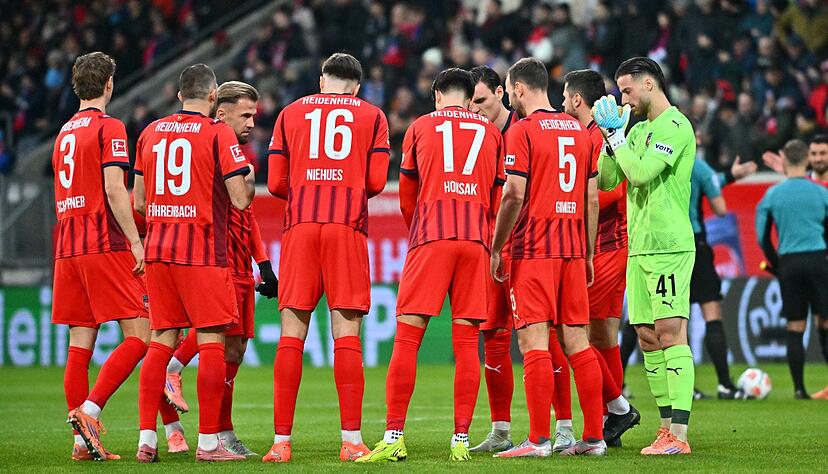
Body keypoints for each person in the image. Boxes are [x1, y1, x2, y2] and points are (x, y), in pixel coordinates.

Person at [355, 68, 504, 463]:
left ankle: (393, 436)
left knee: (407, 339)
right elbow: (498, 196)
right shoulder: (491, 133)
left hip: (432, 237)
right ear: (470, 97)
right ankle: (460, 441)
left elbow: (407, 195)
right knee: (467, 344)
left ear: (437, 94)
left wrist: (420, 231)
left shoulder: (420, 127)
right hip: (475, 241)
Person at [264, 53, 390, 463]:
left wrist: (308, 187)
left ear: (322, 80)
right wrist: (344, 186)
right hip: (345, 228)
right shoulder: (372, 115)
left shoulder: (290, 112)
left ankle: (281, 443)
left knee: (291, 334)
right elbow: (376, 181)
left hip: (300, 227)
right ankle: (351, 440)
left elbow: (274, 183)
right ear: (357, 86)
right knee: (346, 334)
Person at [133, 63, 255, 462]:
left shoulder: (150, 132)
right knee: (212, 341)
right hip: (201, 252)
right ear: (213, 96)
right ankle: (208, 443)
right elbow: (240, 199)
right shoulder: (218, 133)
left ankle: (147, 440)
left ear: (179, 95)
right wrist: (247, 179)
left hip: (158, 251)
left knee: (160, 342)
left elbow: (139, 202)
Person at [490, 58, 605, 458]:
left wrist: (497, 246)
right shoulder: (578, 130)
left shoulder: (521, 131)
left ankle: (538, 439)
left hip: (534, 249)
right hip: (572, 250)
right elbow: (592, 198)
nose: (511, 97)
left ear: (519, 89)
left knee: (533, 341)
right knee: (577, 342)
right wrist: (588, 253)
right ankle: (594, 438)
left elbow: (513, 194)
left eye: (510, 90)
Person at [157, 81, 279, 456]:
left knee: (235, 350)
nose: (252, 123)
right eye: (245, 115)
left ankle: (223, 432)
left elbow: (247, 214)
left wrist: (263, 263)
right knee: (214, 331)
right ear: (221, 113)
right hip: (214, 259)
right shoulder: (210, 145)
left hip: (241, 264)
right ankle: (174, 369)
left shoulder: (238, 152)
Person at [595, 57, 696, 455]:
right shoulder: (636, 131)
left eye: (627, 90)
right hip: (639, 248)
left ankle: (680, 436)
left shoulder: (676, 125)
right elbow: (608, 180)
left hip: (669, 244)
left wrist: (618, 138)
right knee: (648, 337)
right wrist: (610, 139)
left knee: (670, 331)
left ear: (649, 84)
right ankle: (665, 428)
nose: (624, 99)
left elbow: (639, 174)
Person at [52, 51, 150, 462]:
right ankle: (89, 413)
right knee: (142, 334)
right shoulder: (110, 127)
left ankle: (80, 443)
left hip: (67, 247)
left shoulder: (63, 133)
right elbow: (113, 188)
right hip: (102, 242)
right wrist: (135, 241)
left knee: (79, 344)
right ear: (109, 84)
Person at [561, 69, 640, 450]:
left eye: (565, 97)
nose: (562, 103)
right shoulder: (593, 134)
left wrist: (565, 200)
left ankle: (618, 410)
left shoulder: (598, 136)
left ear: (577, 99)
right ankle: (612, 419)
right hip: (610, 245)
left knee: (571, 331)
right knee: (604, 336)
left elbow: (612, 192)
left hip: (606, 246)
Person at [467, 65, 520, 454]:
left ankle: (567, 428)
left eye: (481, 101)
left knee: (547, 336)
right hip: (490, 247)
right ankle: (501, 431)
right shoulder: (473, 136)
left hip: (530, 247)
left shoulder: (523, 129)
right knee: (494, 336)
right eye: (470, 103)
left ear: (501, 93)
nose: (475, 110)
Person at [755, 139, 828, 400]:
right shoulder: (821, 192)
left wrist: (776, 263)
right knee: (825, 320)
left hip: (790, 262)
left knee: (796, 326)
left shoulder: (772, 195)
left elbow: (762, 236)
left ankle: (799, 389)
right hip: (819, 260)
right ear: (807, 160)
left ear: (784, 160)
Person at [689, 156, 756, 400]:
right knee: (712, 313)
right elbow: (721, 209)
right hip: (694, 243)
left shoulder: (654, 158)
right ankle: (725, 385)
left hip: (662, 246)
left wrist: (728, 176)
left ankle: (683, 389)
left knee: (667, 319)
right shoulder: (698, 165)